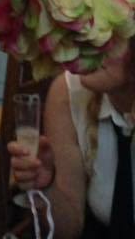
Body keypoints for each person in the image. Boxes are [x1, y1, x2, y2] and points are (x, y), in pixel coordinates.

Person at [8, 48, 135, 237]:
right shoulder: (68, 92)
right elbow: (67, 230)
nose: (88, 45)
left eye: (112, 36)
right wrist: (48, 187)